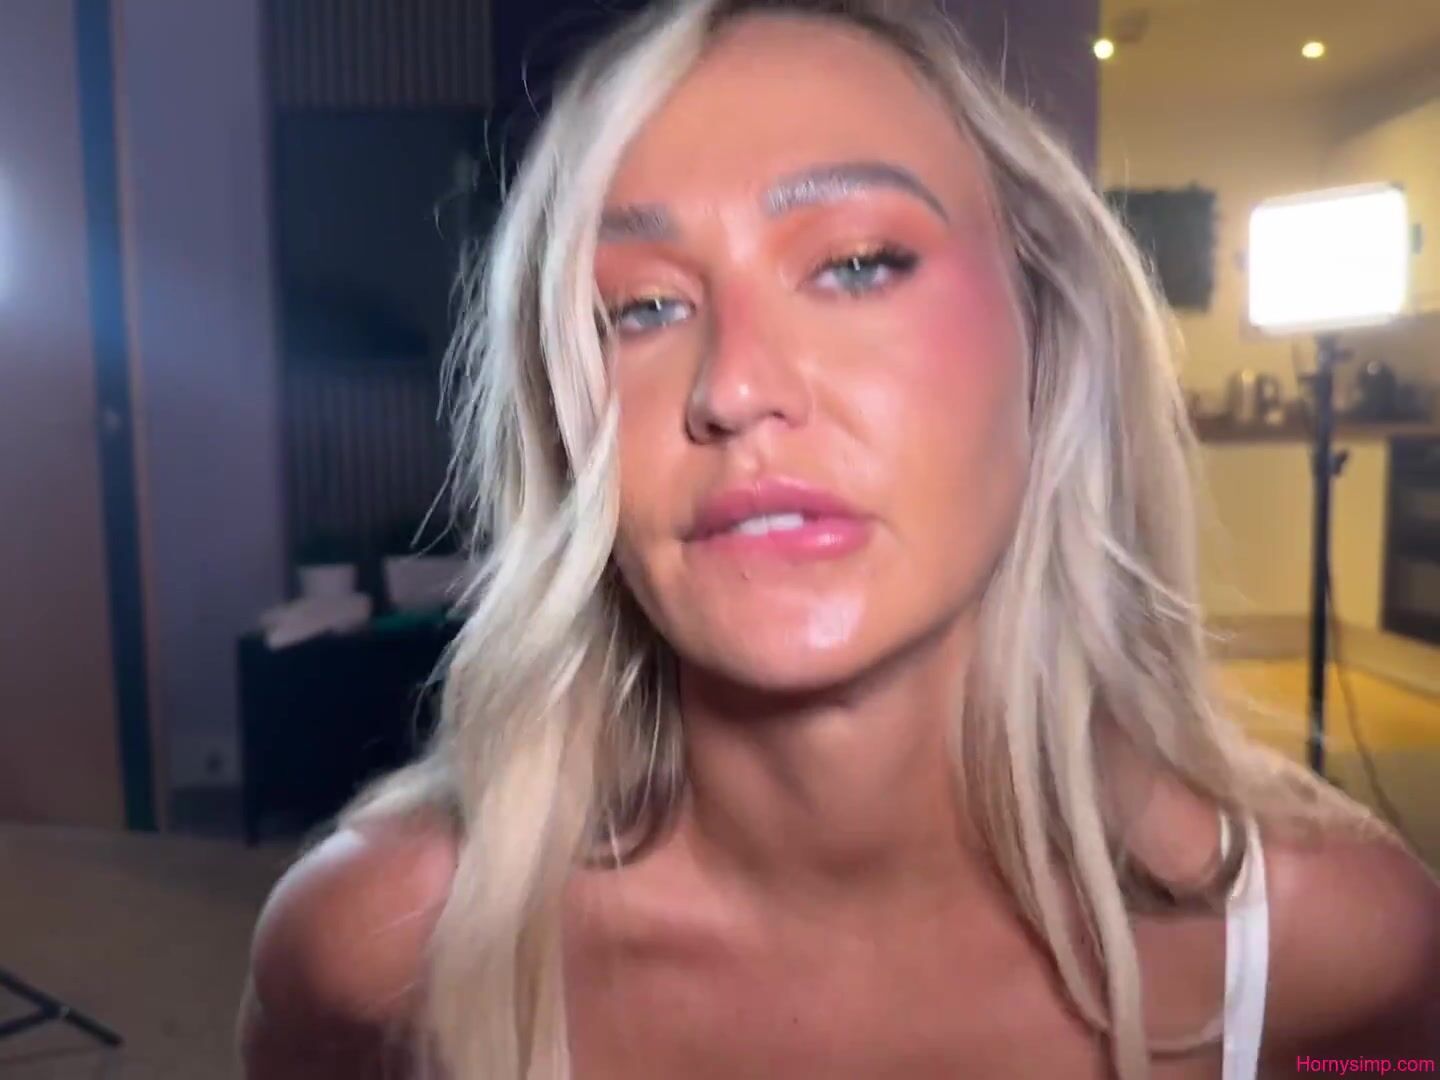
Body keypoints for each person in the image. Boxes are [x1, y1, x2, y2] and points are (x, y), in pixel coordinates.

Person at [238, 2, 1440, 1077]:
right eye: (641, 307)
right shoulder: (376, 952)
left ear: (1047, 337)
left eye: (860, 266)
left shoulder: (1339, 961)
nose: (735, 387)